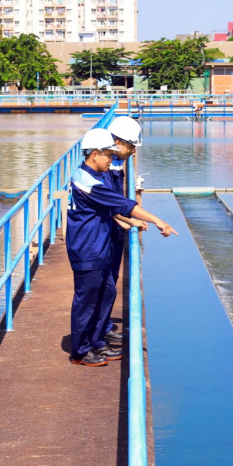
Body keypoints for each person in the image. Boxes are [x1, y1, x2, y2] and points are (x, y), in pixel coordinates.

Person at [68, 128, 177, 367]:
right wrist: (157, 220)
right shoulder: (89, 182)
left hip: (98, 244)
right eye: (108, 154)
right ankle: (80, 351)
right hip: (88, 248)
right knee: (87, 301)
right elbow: (123, 204)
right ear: (95, 154)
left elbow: (114, 207)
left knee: (106, 293)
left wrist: (129, 221)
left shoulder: (91, 177)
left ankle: (96, 342)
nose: (111, 159)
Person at [98, 116, 145, 347]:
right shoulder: (102, 169)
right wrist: (127, 220)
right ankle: (93, 339)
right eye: (131, 146)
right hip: (101, 237)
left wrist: (124, 221)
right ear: (117, 142)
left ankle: (103, 328)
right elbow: (105, 202)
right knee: (101, 288)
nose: (133, 152)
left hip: (112, 233)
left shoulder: (114, 164)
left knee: (110, 283)